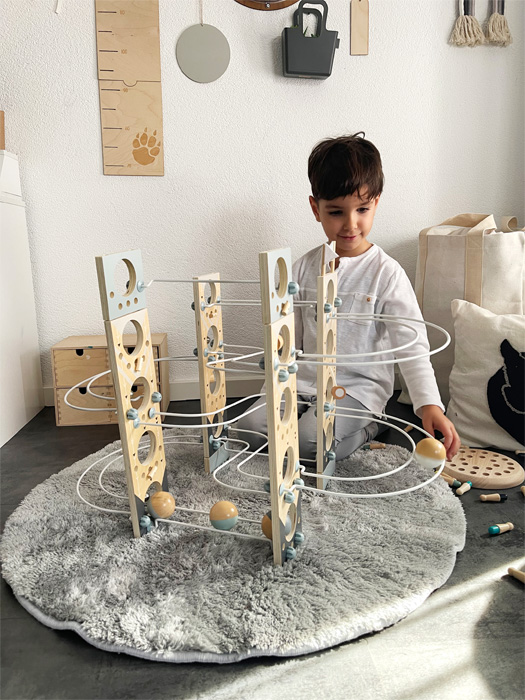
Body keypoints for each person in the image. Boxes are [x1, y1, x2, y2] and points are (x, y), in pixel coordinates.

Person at [237, 133, 460, 462]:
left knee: (311, 444)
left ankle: (372, 425)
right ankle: (301, 422)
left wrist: (429, 405)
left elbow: (411, 344)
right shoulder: (301, 269)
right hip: (303, 384)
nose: (350, 224)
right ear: (316, 209)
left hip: (357, 391)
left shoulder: (387, 273)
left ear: (376, 204)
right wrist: (274, 392)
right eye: (336, 212)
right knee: (249, 431)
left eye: (362, 209)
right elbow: (287, 343)